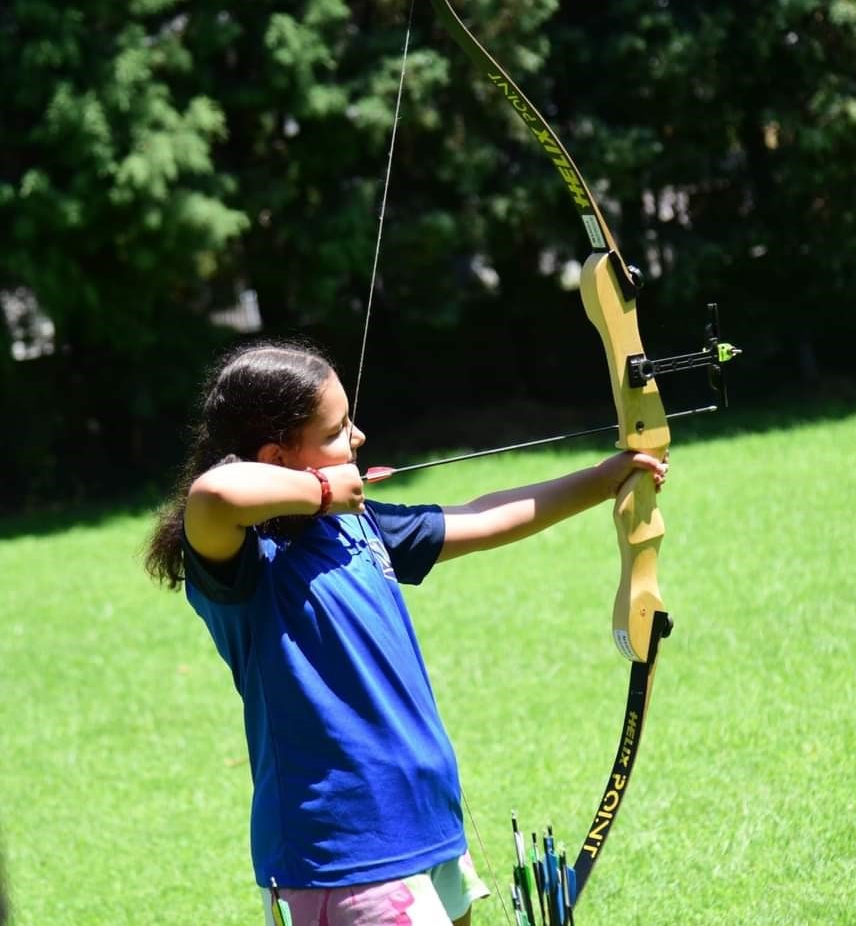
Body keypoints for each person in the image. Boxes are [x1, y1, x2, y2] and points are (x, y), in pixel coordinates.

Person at [145, 340, 667, 926]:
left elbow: (484, 515)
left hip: (424, 825)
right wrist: (322, 493)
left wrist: (605, 478)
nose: (358, 436)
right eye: (338, 430)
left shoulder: (356, 529)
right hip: (343, 854)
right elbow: (214, 496)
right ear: (277, 457)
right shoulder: (245, 564)